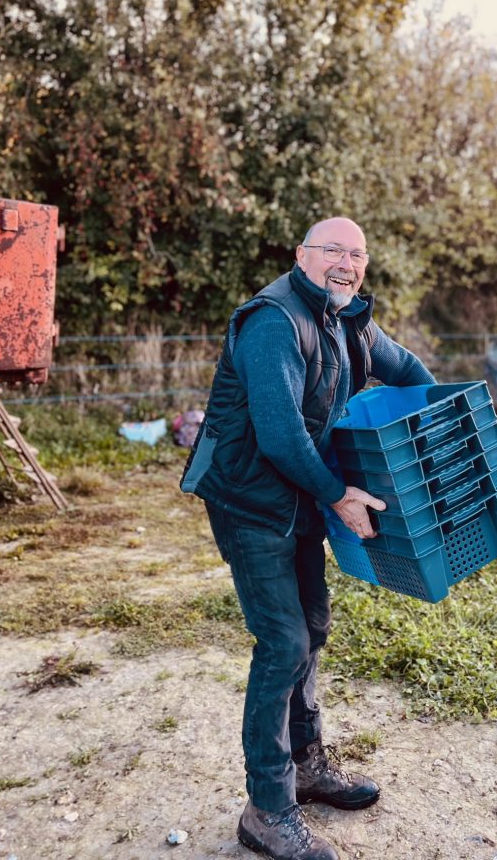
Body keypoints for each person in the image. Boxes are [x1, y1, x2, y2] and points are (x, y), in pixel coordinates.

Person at [185, 216, 435, 860]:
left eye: (356, 254)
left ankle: (307, 765)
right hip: (249, 498)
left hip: (295, 497)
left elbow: (407, 370)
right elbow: (281, 436)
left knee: (314, 627)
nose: (345, 264)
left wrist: (435, 424)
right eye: (332, 251)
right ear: (302, 256)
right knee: (284, 640)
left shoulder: (347, 318)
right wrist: (339, 496)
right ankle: (267, 809)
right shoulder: (274, 321)